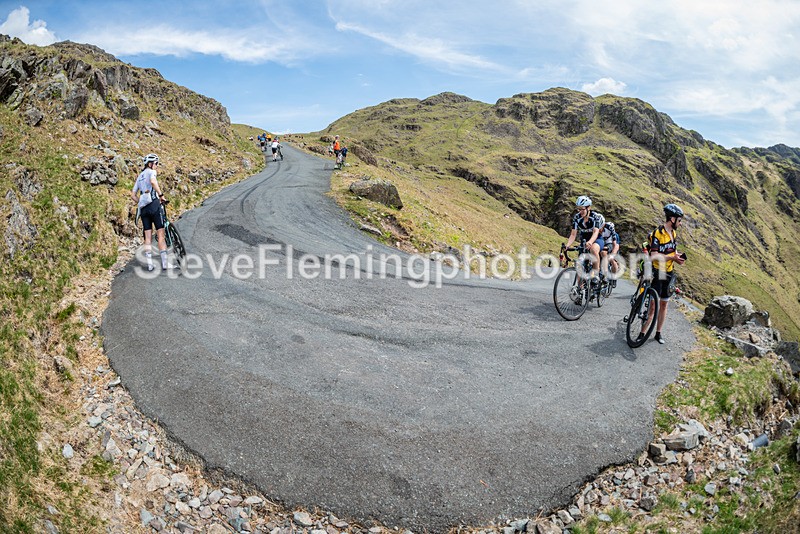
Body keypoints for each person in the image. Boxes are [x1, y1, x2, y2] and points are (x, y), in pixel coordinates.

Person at [638, 203, 686, 344]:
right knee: (653, 306)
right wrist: (672, 257)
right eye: (679, 220)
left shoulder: (673, 233)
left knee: (664, 304)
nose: (680, 223)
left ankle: (658, 333)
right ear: (672, 219)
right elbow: (654, 256)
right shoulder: (658, 234)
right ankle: (642, 332)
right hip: (659, 272)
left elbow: (671, 251)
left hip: (669, 272)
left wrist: (677, 257)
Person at [131, 153, 169, 271]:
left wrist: (140, 202)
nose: (157, 166)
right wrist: (161, 195)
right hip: (154, 205)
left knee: (147, 237)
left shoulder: (140, 176)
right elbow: (153, 182)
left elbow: (132, 195)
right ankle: (165, 264)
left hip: (143, 209)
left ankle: (150, 265)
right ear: (150, 164)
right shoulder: (151, 172)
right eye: (156, 163)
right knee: (160, 235)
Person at [563, 195, 605, 283]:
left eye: (582, 209)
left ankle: (596, 273)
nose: (580, 211)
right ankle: (578, 290)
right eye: (578, 209)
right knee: (580, 264)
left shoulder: (595, 217)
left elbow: (596, 232)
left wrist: (590, 242)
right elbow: (573, 234)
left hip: (596, 239)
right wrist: (568, 245)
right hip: (584, 239)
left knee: (593, 249)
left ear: (588, 207)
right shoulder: (577, 217)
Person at [599, 220, 620, 287]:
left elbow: (616, 246)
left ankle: (614, 278)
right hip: (603, 244)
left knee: (613, 261)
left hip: (612, 246)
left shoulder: (615, 234)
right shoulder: (599, 229)